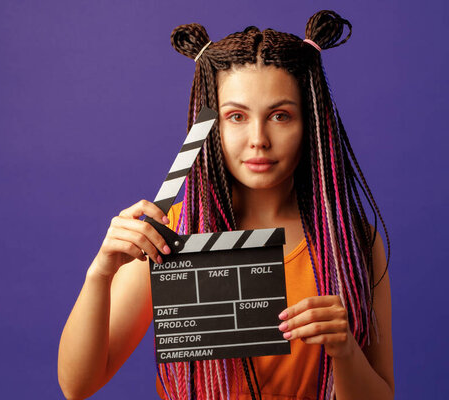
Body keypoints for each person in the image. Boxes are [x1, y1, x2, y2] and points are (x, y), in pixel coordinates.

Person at [58, 10, 394, 400]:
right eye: (236, 116)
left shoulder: (351, 243)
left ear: (310, 123)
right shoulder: (171, 233)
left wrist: (345, 350)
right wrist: (100, 273)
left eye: (280, 116)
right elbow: (77, 385)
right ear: (211, 124)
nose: (258, 139)